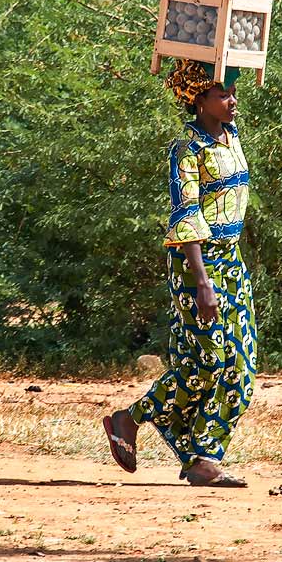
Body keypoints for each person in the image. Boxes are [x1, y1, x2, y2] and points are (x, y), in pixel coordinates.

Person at [102, 59, 258, 488]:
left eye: (231, 92)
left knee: (241, 368)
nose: (232, 100)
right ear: (198, 100)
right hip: (197, 263)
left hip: (232, 261)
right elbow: (186, 214)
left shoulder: (232, 138)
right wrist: (202, 281)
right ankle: (132, 421)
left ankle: (199, 455)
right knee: (208, 362)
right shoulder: (185, 151)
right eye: (222, 93)